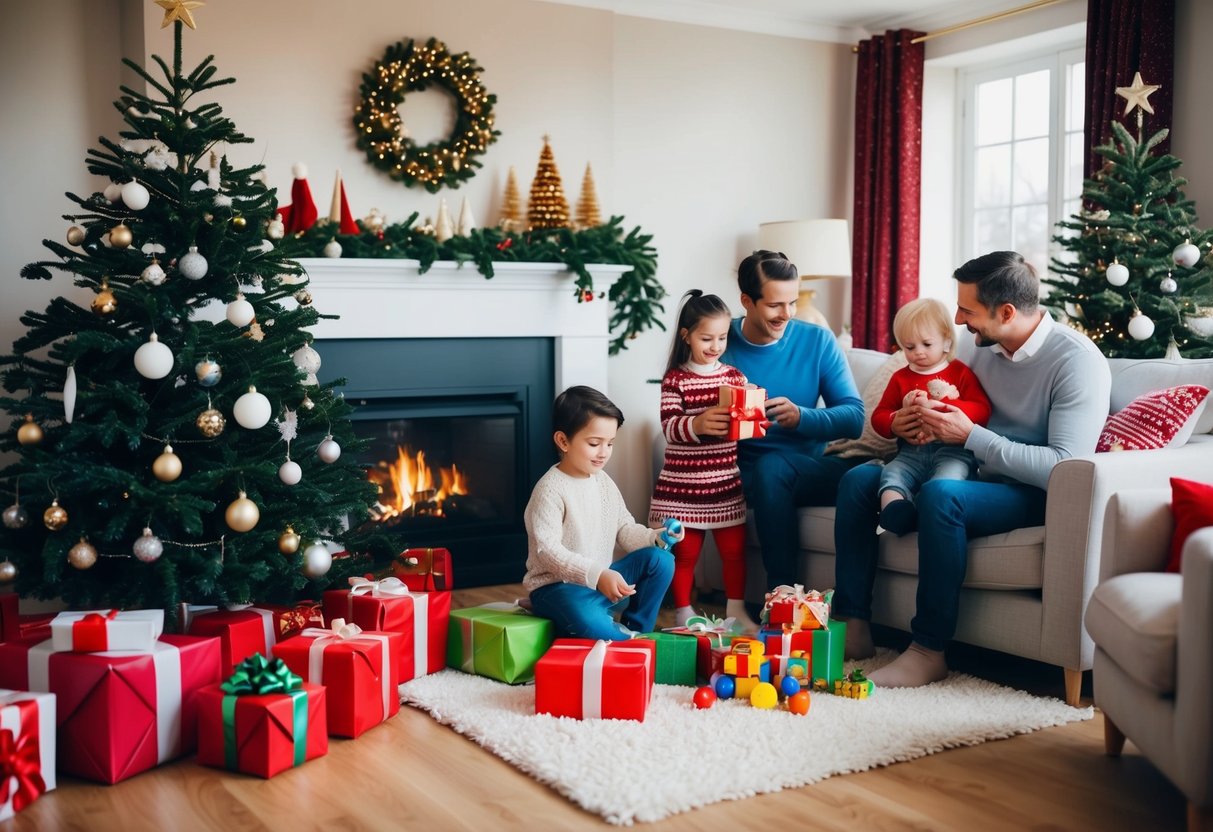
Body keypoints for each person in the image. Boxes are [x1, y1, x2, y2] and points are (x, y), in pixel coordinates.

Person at [833, 251, 1111, 688]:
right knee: (859, 480)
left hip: (1028, 490)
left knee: (942, 496)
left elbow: (1065, 466)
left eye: (968, 310)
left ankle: (928, 650)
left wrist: (971, 436)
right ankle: (853, 624)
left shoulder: (1076, 362)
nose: (959, 320)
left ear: (1006, 312)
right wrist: (904, 423)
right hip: (963, 468)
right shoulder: (980, 348)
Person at [720, 250, 865, 590]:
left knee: (783, 467)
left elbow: (854, 418)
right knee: (768, 467)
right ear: (747, 301)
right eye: (774, 305)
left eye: (792, 302)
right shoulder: (718, 342)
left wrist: (801, 417)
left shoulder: (816, 340)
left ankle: (783, 594)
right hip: (743, 472)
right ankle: (778, 595)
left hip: (807, 470)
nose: (786, 314)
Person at [524, 385, 679, 640]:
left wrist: (657, 537)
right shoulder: (549, 490)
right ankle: (614, 635)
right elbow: (548, 552)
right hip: (557, 589)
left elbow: (624, 529)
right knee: (597, 628)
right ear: (563, 441)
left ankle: (636, 629)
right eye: (594, 443)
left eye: (610, 443)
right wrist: (597, 575)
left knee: (661, 560)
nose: (604, 452)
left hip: (601, 584)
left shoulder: (603, 481)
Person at [649, 290, 757, 631]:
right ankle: (683, 610)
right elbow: (669, 427)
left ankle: (736, 610)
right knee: (684, 554)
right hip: (682, 486)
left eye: (722, 337)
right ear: (687, 336)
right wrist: (696, 423)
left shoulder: (734, 377)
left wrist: (754, 414)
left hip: (724, 482)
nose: (715, 345)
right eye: (706, 338)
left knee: (735, 552)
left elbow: (745, 427)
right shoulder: (676, 379)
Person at [872, 297, 992, 535]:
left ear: (946, 341)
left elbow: (982, 410)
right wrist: (894, 422)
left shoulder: (959, 372)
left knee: (947, 480)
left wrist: (945, 405)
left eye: (926, 344)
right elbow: (879, 416)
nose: (918, 353)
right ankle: (896, 512)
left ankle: (930, 512)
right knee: (891, 474)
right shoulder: (900, 378)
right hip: (910, 453)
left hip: (952, 451)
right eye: (909, 347)